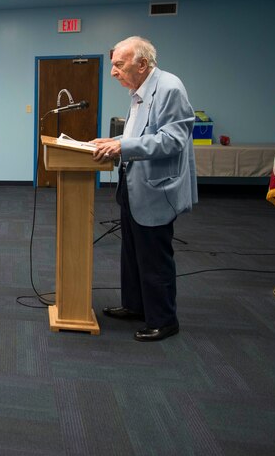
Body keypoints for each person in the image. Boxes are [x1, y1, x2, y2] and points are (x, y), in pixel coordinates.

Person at [91, 36, 197, 342]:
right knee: (132, 253)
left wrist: (121, 145)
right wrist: (112, 144)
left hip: (155, 188)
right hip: (133, 185)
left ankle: (164, 320)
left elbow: (173, 140)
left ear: (142, 63)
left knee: (153, 256)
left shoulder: (169, 88)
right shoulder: (139, 92)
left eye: (118, 65)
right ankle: (136, 306)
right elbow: (139, 136)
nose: (113, 72)